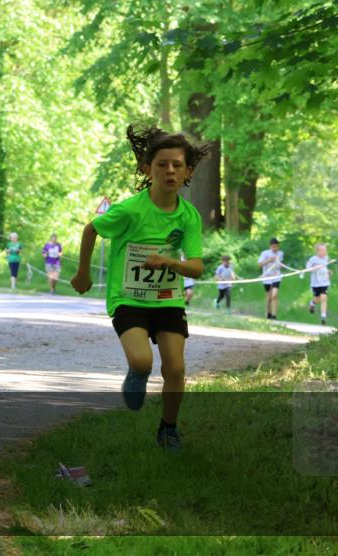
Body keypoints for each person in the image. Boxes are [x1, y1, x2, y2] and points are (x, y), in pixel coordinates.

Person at [71, 124, 209, 451]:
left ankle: (168, 428)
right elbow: (92, 229)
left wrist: (169, 263)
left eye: (177, 165)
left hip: (167, 300)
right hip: (128, 298)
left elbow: (197, 266)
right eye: (162, 164)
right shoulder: (131, 210)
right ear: (148, 169)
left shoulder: (189, 217)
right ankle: (136, 375)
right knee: (143, 361)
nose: (170, 171)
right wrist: (83, 273)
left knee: (176, 368)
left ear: (188, 172)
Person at [306, 243, 333, 325]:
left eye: (325, 250)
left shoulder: (327, 259)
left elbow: (327, 268)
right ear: (317, 251)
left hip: (325, 282)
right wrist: (315, 267)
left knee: (324, 298)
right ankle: (312, 303)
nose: (323, 252)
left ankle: (323, 317)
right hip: (316, 283)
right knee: (317, 298)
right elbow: (308, 269)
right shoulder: (313, 259)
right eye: (321, 251)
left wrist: (329, 272)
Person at [258, 237, 283, 320]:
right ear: (270, 246)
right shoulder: (264, 253)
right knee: (268, 297)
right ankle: (268, 313)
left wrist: (279, 263)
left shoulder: (280, 254)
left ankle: (274, 315)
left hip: (276, 277)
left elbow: (280, 265)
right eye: (273, 246)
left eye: (276, 246)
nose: (275, 248)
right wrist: (269, 260)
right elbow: (260, 264)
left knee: (274, 295)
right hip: (267, 277)